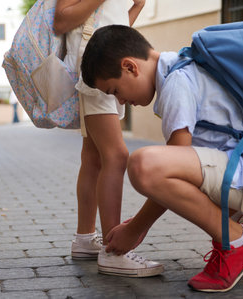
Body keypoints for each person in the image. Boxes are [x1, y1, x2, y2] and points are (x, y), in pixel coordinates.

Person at [80, 25, 243, 292]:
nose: (121, 101)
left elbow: (168, 168)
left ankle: (238, 241)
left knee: (144, 166)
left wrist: (135, 228)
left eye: (115, 91)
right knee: (164, 169)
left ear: (130, 67)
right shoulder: (182, 65)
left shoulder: (176, 83)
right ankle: (239, 225)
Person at [53, 0, 163, 277]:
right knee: (116, 155)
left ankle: (86, 239)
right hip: (94, 64)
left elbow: (120, 19)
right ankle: (114, 251)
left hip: (106, 59)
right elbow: (62, 19)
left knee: (94, 158)